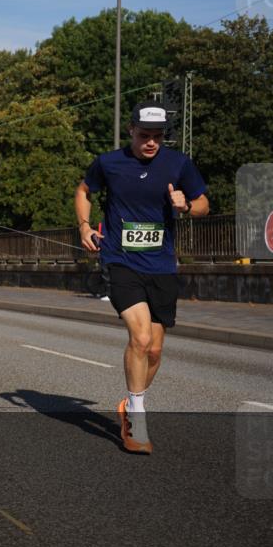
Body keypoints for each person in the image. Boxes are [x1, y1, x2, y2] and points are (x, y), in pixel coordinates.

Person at [75, 101, 208, 454]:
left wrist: (186, 206)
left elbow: (204, 204)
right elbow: (84, 191)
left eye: (158, 136)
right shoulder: (109, 163)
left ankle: (129, 401)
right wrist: (85, 226)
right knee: (140, 336)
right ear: (131, 130)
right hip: (121, 262)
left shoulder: (178, 163)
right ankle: (136, 415)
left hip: (161, 266)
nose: (151, 142)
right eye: (145, 135)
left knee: (155, 349)